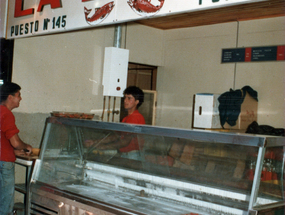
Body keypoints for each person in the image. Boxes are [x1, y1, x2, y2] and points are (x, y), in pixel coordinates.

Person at [85, 86, 145, 158]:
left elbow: (125, 142)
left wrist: (104, 147)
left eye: (129, 98)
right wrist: (95, 142)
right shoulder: (126, 118)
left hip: (132, 155)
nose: (125, 100)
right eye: (125, 97)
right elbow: (116, 136)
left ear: (137, 102)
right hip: (125, 154)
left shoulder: (135, 117)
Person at [0, 82, 33, 215]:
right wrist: (26, 147)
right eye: (18, 95)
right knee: (5, 203)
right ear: (10, 97)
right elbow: (16, 142)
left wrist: (11, 151)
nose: (20, 98)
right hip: (4, 164)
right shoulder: (6, 114)